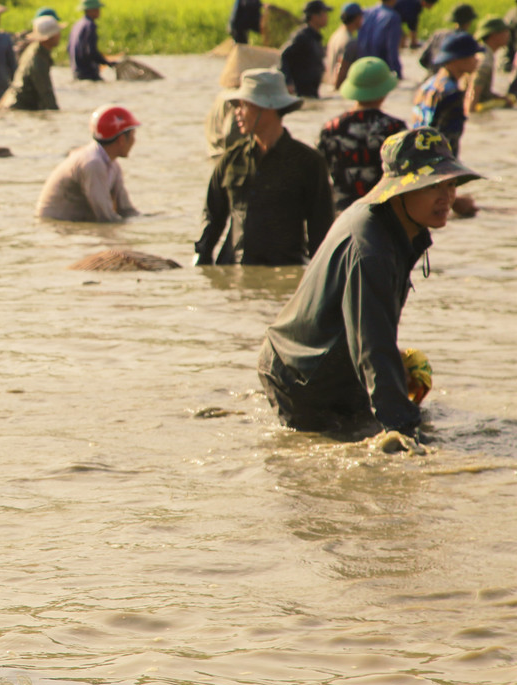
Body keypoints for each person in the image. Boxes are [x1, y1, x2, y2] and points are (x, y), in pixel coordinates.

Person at [258, 127, 484, 438]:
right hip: (301, 377)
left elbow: (370, 331)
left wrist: (394, 369)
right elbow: (372, 345)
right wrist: (402, 428)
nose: (447, 197)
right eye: (433, 185)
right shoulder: (371, 247)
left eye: (451, 184)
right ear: (401, 190)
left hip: (326, 363)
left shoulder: (393, 225)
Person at [193, 68, 333, 265]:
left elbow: (321, 230)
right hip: (233, 273)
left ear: (267, 107)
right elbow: (212, 217)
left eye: (244, 105)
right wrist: (201, 261)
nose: (237, 112)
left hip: (285, 273)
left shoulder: (309, 163)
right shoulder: (231, 159)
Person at [316, 57, 407, 210]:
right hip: (384, 210)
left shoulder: (330, 129)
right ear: (385, 91)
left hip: (343, 212)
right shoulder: (395, 129)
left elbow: (318, 175)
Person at [35, 106, 140, 221]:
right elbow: (105, 217)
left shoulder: (112, 165)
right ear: (121, 140)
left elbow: (126, 210)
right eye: (133, 135)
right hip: (56, 226)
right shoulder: (93, 164)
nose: (135, 141)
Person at [411, 32, 480, 155]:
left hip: (418, 155)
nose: (476, 60)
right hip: (437, 160)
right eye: (472, 55)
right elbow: (447, 140)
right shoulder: (452, 94)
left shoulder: (428, 84)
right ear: (457, 60)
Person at [0, 14, 63, 110]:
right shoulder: (38, 59)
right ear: (48, 37)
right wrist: (56, 113)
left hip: (14, 103)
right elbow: (46, 93)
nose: (59, 35)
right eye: (56, 33)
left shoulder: (37, 50)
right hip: (19, 106)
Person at [278, 0, 332, 98]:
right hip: (301, 92)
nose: (327, 17)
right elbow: (284, 55)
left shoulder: (315, 37)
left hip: (311, 91)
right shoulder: (302, 36)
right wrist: (288, 82)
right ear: (315, 16)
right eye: (324, 13)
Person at [356, 0, 404, 77]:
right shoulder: (392, 17)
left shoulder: (365, 12)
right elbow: (392, 48)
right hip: (381, 67)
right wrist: (397, 71)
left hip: (363, 64)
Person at [470, 15, 517, 107]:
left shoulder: (486, 53)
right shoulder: (485, 60)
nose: (508, 35)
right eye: (505, 32)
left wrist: (500, 98)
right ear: (495, 35)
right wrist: (470, 117)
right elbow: (473, 94)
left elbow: (483, 92)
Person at [68, 0, 115, 81]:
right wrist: (108, 63)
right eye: (97, 9)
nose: (99, 11)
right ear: (90, 10)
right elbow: (91, 52)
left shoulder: (77, 25)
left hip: (77, 72)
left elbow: (69, 48)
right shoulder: (90, 25)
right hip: (88, 74)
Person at [418, 3, 475, 75]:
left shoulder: (438, 34)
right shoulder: (465, 40)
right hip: (451, 78)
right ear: (469, 22)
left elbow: (422, 59)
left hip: (433, 77)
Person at [325, 1, 364, 91]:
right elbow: (342, 69)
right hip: (342, 90)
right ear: (357, 18)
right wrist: (337, 89)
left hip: (330, 85)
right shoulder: (350, 42)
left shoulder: (335, 35)